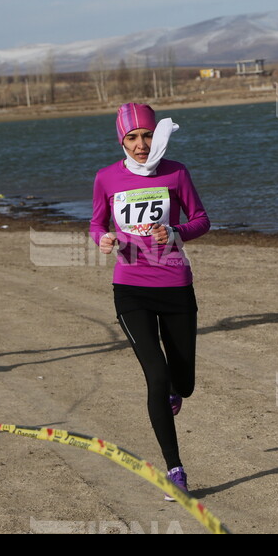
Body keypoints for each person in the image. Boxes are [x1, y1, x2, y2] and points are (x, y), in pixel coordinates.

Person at [90, 103, 210, 499]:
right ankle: (175, 470)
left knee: (184, 384)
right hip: (131, 288)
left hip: (175, 284)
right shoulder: (107, 178)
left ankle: (177, 389)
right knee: (155, 378)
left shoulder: (176, 172)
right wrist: (103, 239)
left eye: (146, 136)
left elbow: (201, 220)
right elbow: (96, 222)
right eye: (132, 138)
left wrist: (175, 232)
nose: (141, 145)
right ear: (121, 140)